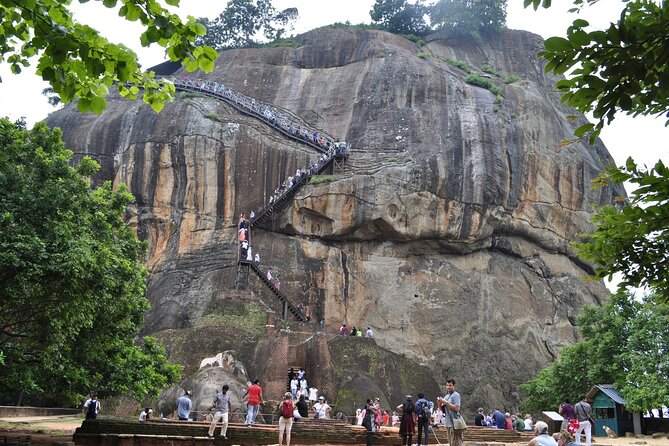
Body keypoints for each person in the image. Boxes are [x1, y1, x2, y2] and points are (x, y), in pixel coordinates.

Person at [440, 379, 463, 446]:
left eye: (450, 385)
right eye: (447, 385)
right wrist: (439, 403)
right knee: (450, 442)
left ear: (454, 386)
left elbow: (457, 408)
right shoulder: (446, 396)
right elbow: (443, 410)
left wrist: (446, 402)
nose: (448, 387)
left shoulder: (456, 395)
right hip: (447, 423)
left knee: (456, 442)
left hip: (455, 423)